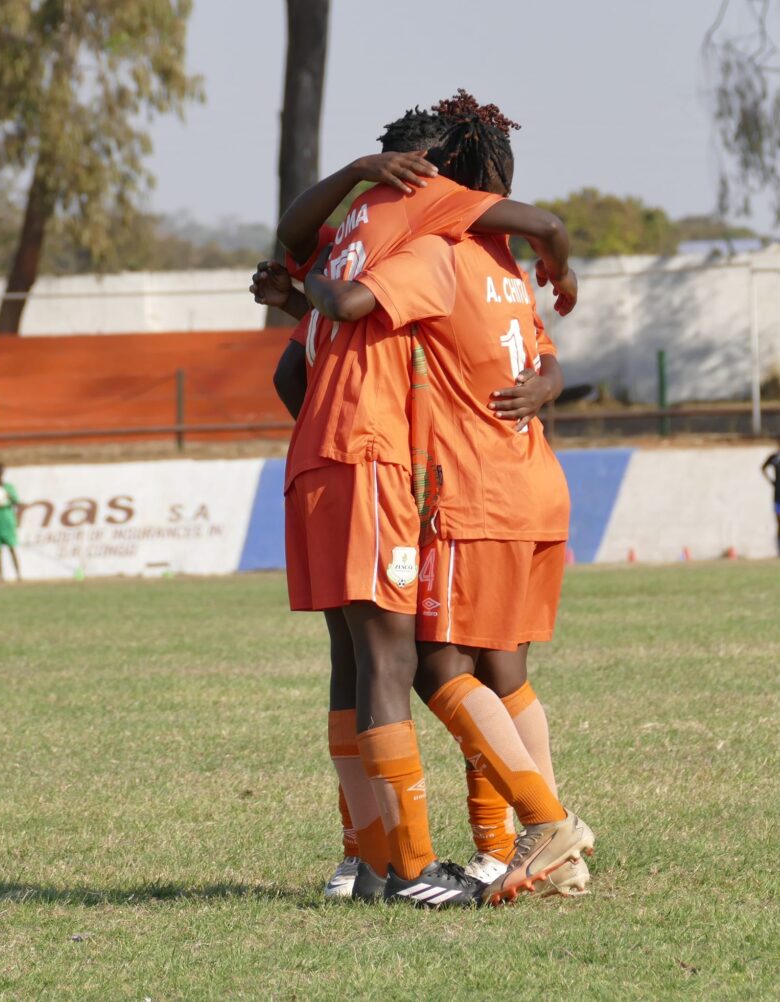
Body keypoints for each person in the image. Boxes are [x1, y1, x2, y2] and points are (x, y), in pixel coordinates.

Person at [259, 97, 579, 907]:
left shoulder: (383, 243)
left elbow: (305, 352)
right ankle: (487, 846)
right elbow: (534, 327)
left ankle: (402, 856)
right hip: (471, 478)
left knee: (397, 661)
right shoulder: (468, 252)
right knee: (462, 664)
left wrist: (310, 295)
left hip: (407, 475)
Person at [0, 463, 21, 583]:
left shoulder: (8, 487)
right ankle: (0, 576)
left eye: (0, 471)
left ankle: (19, 574)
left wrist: (8, 497)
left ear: (3, 472)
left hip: (8, 521)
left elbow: (16, 501)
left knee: (12, 548)